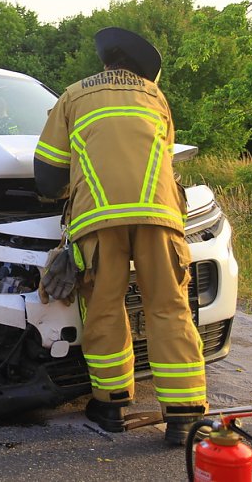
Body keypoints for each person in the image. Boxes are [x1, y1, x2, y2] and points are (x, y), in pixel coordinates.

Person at [33, 27, 207, 445]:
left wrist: (69, 188)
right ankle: (183, 415)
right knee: (169, 308)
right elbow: (163, 160)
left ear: (105, 62)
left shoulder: (74, 96)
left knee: (105, 307)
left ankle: (110, 405)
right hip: (160, 216)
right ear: (141, 70)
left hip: (99, 220)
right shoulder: (156, 97)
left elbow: (48, 176)